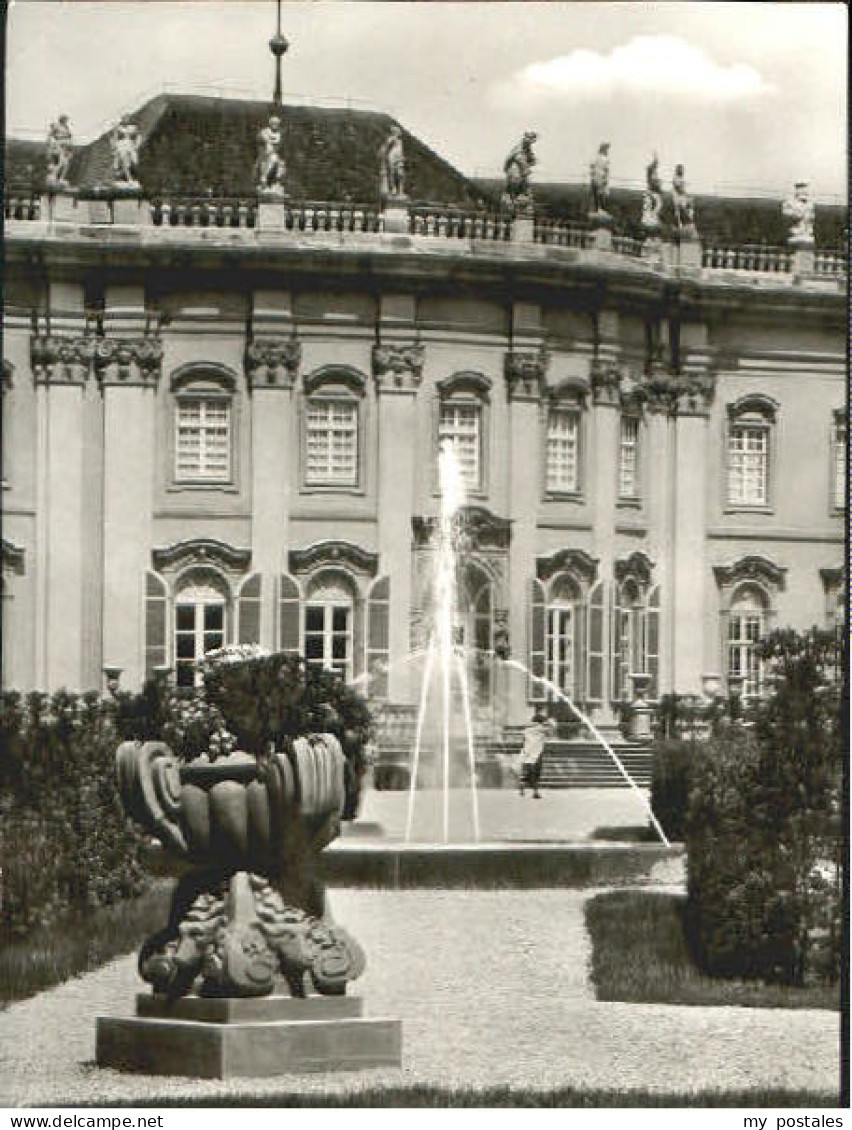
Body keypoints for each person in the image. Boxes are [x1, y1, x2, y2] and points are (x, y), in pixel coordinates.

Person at [518, 706, 555, 799]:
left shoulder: (527, 730)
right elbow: (551, 730)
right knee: (536, 772)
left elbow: (523, 741)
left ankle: (522, 783)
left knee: (526, 771)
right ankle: (535, 792)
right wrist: (549, 722)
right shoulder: (542, 729)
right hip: (537, 753)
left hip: (526, 752)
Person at [378, 125, 405, 200]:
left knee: (400, 174)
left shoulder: (400, 141)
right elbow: (385, 147)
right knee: (393, 173)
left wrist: (401, 158)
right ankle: (394, 189)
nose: (399, 133)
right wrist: (382, 152)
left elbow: (400, 151)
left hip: (398, 159)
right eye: (398, 131)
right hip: (392, 158)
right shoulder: (392, 138)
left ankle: (399, 191)